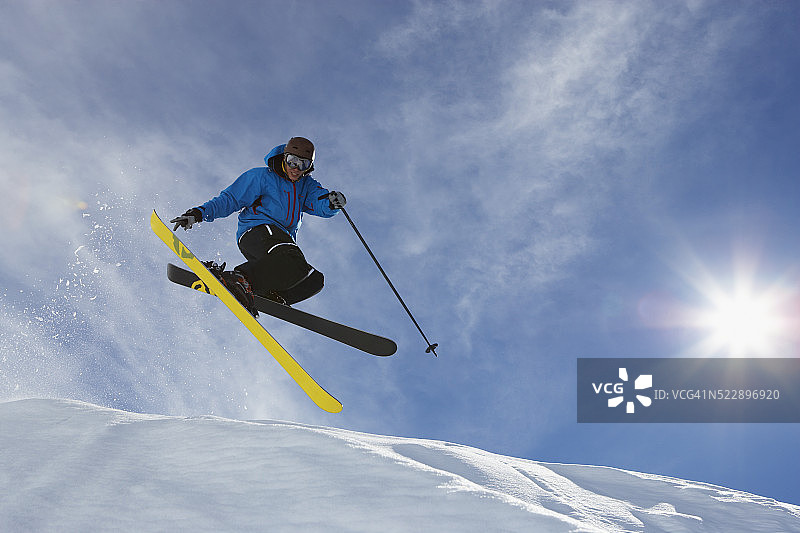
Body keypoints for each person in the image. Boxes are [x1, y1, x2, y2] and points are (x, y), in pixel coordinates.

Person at [171, 136, 346, 314]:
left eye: (303, 165)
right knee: (291, 257)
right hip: (257, 232)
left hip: (280, 243)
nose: (296, 169)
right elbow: (230, 199)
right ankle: (240, 279)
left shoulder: (306, 185)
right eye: (292, 161)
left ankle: (270, 295)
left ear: (309, 167)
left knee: (312, 279)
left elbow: (319, 202)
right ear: (284, 157)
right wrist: (199, 213)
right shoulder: (262, 177)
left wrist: (331, 203)